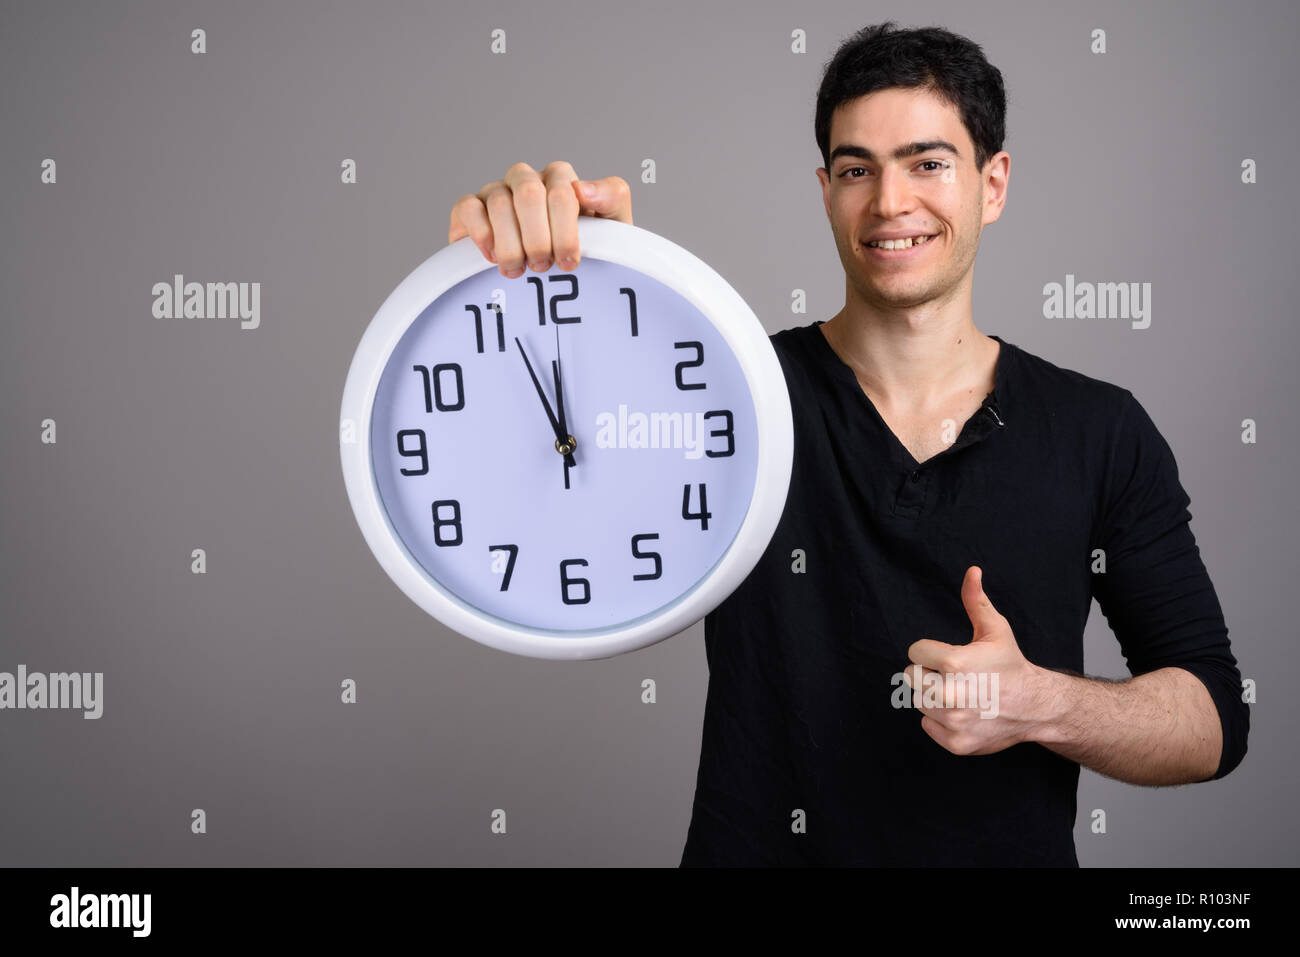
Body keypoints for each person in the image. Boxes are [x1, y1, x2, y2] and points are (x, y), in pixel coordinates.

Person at [446, 22, 1249, 866]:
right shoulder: (729, 397)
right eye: (857, 169)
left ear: (994, 181)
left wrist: (1041, 705)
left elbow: (1213, 719)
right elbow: (559, 468)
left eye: (928, 162)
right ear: (826, 189)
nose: (890, 202)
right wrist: (596, 270)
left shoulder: (1101, 430)